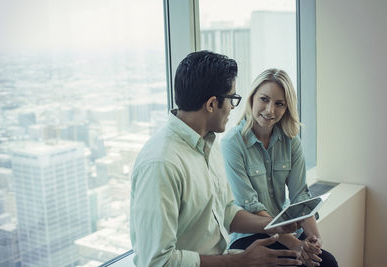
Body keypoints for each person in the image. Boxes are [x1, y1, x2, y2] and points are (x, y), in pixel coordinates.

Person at [130, 52, 303, 267]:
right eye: (232, 99)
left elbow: (225, 211)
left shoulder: (209, 145)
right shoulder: (161, 164)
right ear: (212, 104)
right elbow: (157, 262)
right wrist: (240, 261)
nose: (232, 107)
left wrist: (270, 225)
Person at [220, 68, 338, 267]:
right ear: (251, 99)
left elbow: (300, 196)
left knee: (326, 262)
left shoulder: (291, 141)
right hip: (251, 236)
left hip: (288, 233)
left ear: (287, 107)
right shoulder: (232, 143)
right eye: (264, 99)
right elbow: (251, 206)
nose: (270, 110)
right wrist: (294, 244)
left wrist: (315, 241)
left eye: (279, 104)